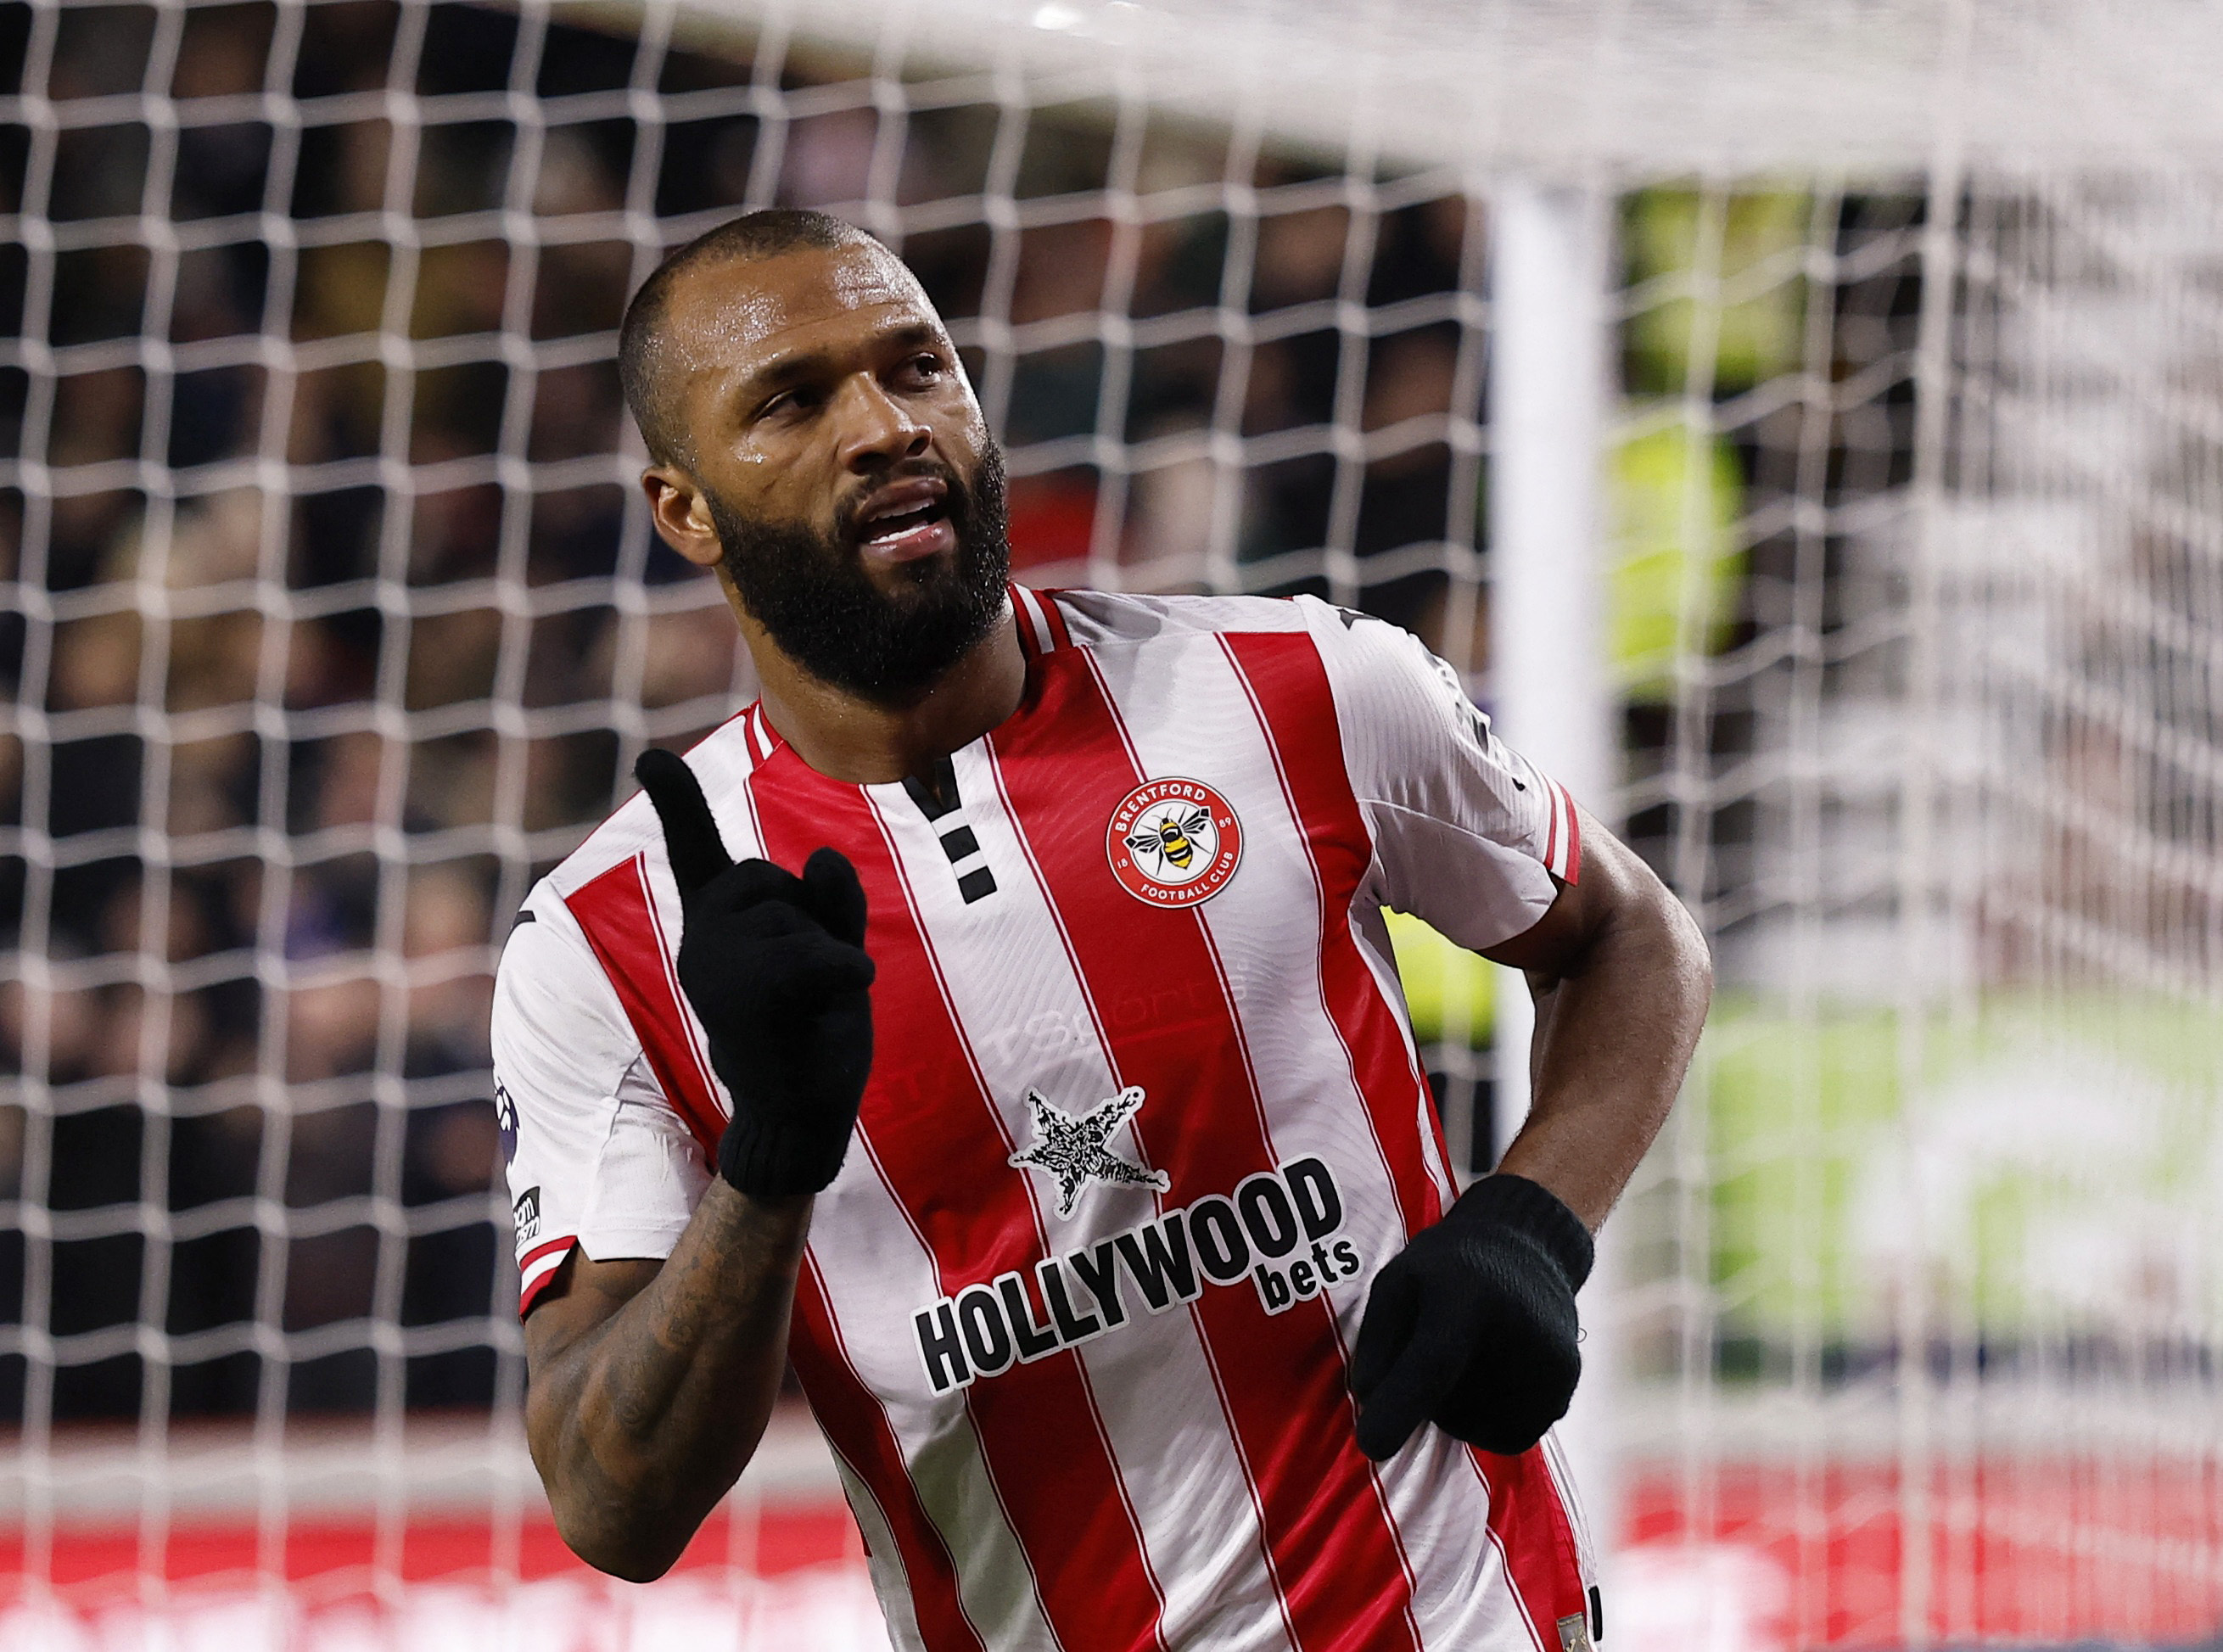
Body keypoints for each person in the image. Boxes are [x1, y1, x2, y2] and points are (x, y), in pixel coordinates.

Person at [492, 208, 1711, 1652]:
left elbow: (1632, 934)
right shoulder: (605, 946)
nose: (885, 427)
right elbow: (612, 1505)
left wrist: (1532, 1224)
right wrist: (767, 1168)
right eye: (794, 402)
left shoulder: (1298, 688)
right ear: (683, 509)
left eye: (918, 367)